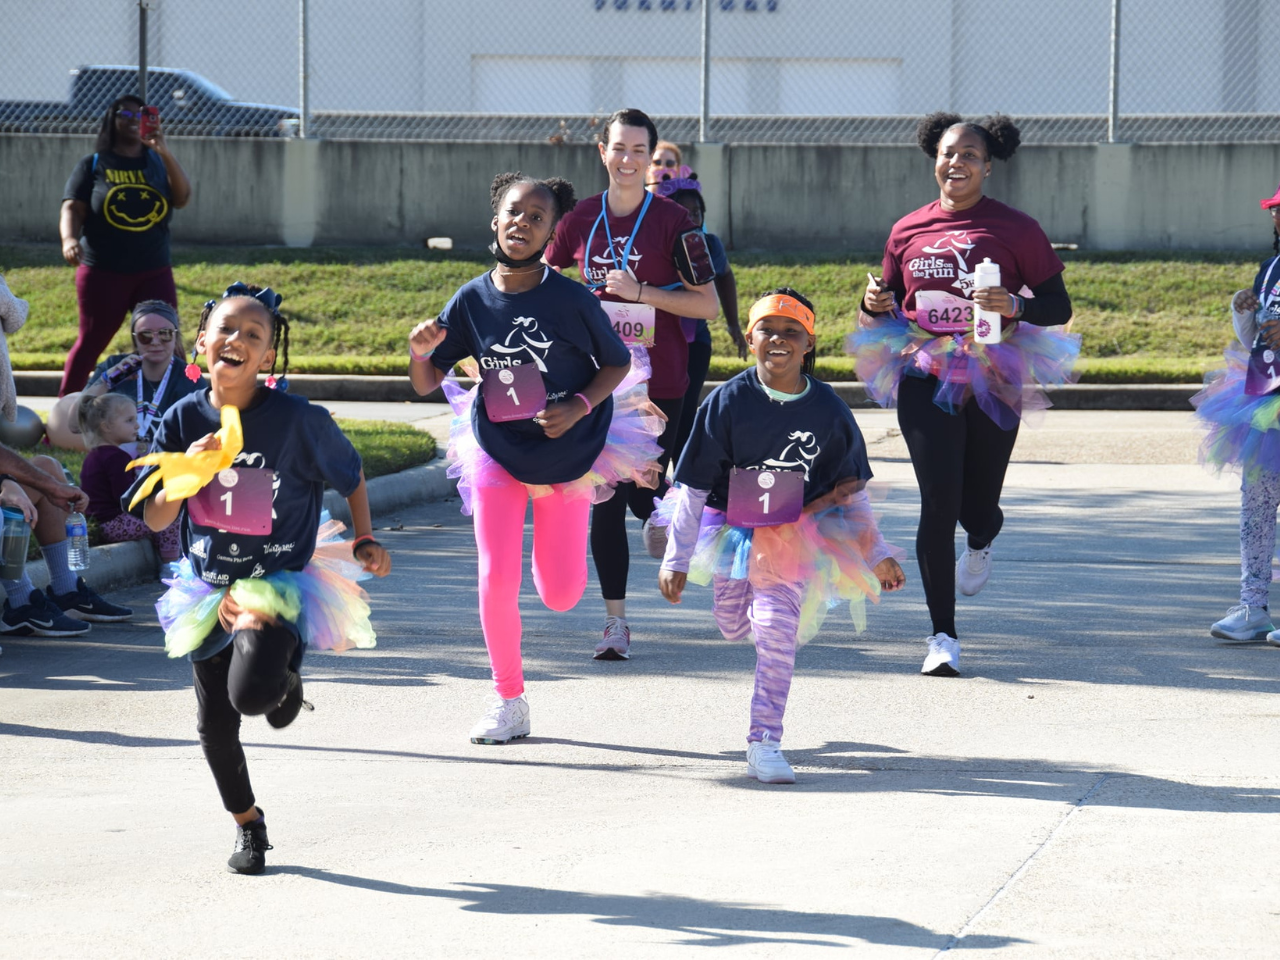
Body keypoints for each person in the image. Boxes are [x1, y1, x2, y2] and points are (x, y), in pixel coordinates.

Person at [126, 283, 391, 875]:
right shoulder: (181, 418)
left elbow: (350, 475)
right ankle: (249, 825)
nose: (238, 340)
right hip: (209, 588)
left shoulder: (299, 421)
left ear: (269, 356)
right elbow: (154, 517)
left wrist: (366, 537)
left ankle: (281, 672)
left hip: (281, 581)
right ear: (201, 342)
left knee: (252, 697)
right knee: (215, 725)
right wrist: (188, 474)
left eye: (254, 334)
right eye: (226, 329)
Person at [409, 172, 664, 744]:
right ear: (494, 221)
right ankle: (507, 698)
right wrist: (419, 352)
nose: (522, 223)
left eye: (536, 218)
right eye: (513, 213)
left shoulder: (571, 299)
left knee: (560, 592)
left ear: (551, 234)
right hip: (497, 448)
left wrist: (577, 406)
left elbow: (617, 364)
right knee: (496, 576)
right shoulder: (471, 299)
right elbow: (427, 380)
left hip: (569, 454)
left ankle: (549, 561)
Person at [849, 112, 1078, 678]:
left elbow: (1058, 305)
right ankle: (942, 636)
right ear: (935, 157)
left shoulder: (1016, 228)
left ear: (988, 166)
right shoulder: (907, 229)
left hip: (993, 370)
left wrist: (1017, 306)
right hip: (924, 372)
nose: (957, 163)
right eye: (949, 153)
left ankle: (981, 536)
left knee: (977, 506)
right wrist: (873, 304)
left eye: (970, 155)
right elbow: (885, 305)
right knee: (938, 501)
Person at [656, 289, 905, 783]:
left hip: (796, 536)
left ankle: (764, 741)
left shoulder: (829, 411)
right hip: (730, 531)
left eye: (792, 332)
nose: (779, 340)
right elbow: (694, 489)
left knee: (775, 632)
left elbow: (851, 493)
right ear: (750, 340)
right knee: (733, 625)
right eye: (767, 330)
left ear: (808, 343)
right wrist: (675, 558)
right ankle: (757, 623)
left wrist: (875, 554)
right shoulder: (726, 402)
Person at [544, 107, 719, 660]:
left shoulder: (674, 221)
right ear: (602, 152)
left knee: (645, 488)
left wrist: (643, 292)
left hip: (660, 380)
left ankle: (660, 511)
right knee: (604, 501)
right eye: (618, 149)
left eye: (638, 152)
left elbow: (708, 304)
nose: (627, 160)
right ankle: (615, 623)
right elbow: (541, 279)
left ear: (650, 159)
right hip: (598, 382)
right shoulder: (578, 219)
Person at [1193, 182, 1280, 646]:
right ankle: (1254, 606)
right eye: (1276, 210)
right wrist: (1243, 313)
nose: (1279, 217)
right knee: (1257, 508)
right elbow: (1256, 345)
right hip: (1266, 401)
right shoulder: (1271, 268)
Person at [59, 94, 192, 396]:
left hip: (153, 269)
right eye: (126, 114)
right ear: (112, 119)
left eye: (141, 115)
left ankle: (177, 411)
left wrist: (164, 151)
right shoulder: (94, 163)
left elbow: (182, 198)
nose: (133, 120)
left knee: (166, 341)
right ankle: (63, 418)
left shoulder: (157, 161)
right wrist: (68, 239)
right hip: (103, 271)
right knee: (90, 343)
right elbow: (72, 208)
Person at [654, 175, 749, 466]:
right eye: (682, 212)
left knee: (683, 412)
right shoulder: (653, 250)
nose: (690, 218)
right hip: (653, 343)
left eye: (695, 212)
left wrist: (734, 326)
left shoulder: (708, 245)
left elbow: (725, 276)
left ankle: (683, 484)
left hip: (694, 344)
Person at [77, 391, 181, 579]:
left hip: (103, 523)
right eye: (129, 420)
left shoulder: (95, 455)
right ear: (106, 426)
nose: (137, 425)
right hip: (115, 524)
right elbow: (126, 499)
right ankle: (170, 566)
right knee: (169, 517)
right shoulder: (117, 457)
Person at [81, 300, 205, 447]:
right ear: (135, 339)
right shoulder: (115, 367)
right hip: (115, 460)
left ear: (176, 337)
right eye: (145, 335)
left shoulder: (190, 376)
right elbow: (74, 424)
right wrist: (106, 380)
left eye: (165, 334)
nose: (155, 341)